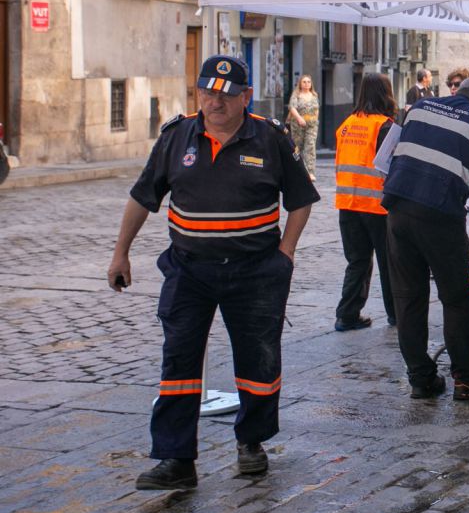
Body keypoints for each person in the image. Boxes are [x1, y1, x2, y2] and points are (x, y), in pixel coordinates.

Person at [107, 55, 318, 490]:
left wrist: (286, 252)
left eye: (224, 94)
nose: (214, 101)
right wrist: (120, 253)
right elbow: (142, 197)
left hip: (256, 271)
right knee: (179, 361)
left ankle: (251, 442)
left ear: (246, 97)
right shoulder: (176, 137)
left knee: (258, 359)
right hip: (189, 271)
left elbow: (301, 199)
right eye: (206, 92)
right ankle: (176, 458)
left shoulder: (271, 138)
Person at [383, 76, 469, 401]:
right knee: (456, 299)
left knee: (408, 297)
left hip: (398, 208)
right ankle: (466, 379)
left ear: (457, 92)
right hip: (440, 214)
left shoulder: (418, 107)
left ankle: (420, 379)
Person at [334, 73, 397, 332]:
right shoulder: (385, 126)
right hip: (377, 206)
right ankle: (397, 315)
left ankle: (347, 315)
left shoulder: (346, 124)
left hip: (348, 203)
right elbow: (392, 166)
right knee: (389, 262)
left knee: (357, 261)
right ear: (386, 93)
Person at [287, 74, 320, 181]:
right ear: (300, 84)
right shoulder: (296, 95)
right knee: (297, 147)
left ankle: (310, 172)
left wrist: (315, 119)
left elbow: (316, 109)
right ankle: (295, 170)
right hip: (298, 125)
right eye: (304, 82)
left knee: (310, 146)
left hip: (312, 125)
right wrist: (299, 119)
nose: (306, 84)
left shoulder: (314, 95)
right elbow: (292, 108)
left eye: (308, 82)